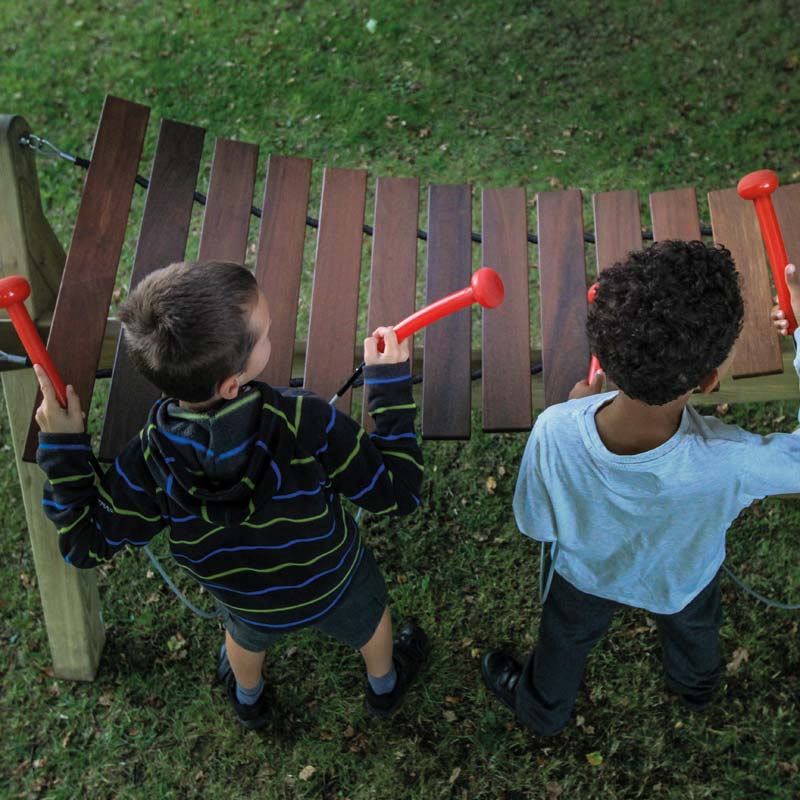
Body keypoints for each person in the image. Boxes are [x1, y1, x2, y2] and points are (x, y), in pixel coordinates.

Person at [34, 260, 427, 730]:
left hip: (245, 601)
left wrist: (60, 446)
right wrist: (387, 385)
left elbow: (83, 542)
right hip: (335, 581)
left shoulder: (145, 463)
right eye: (265, 335)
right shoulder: (305, 421)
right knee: (371, 623)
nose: (272, 333)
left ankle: (248, 698)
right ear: (230, 384)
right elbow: (399, 492)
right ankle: (384, 685)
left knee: (243, 639)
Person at [480, 240, 800, 736]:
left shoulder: (554, 427)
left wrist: (575, 407)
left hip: (583, 578)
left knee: (562, 641)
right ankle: (697, 689)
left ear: (602, 355)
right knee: (695, 633)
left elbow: (537, 522)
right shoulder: (734, 460)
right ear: (709, 380)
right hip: (682, 583)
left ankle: (542, 711)